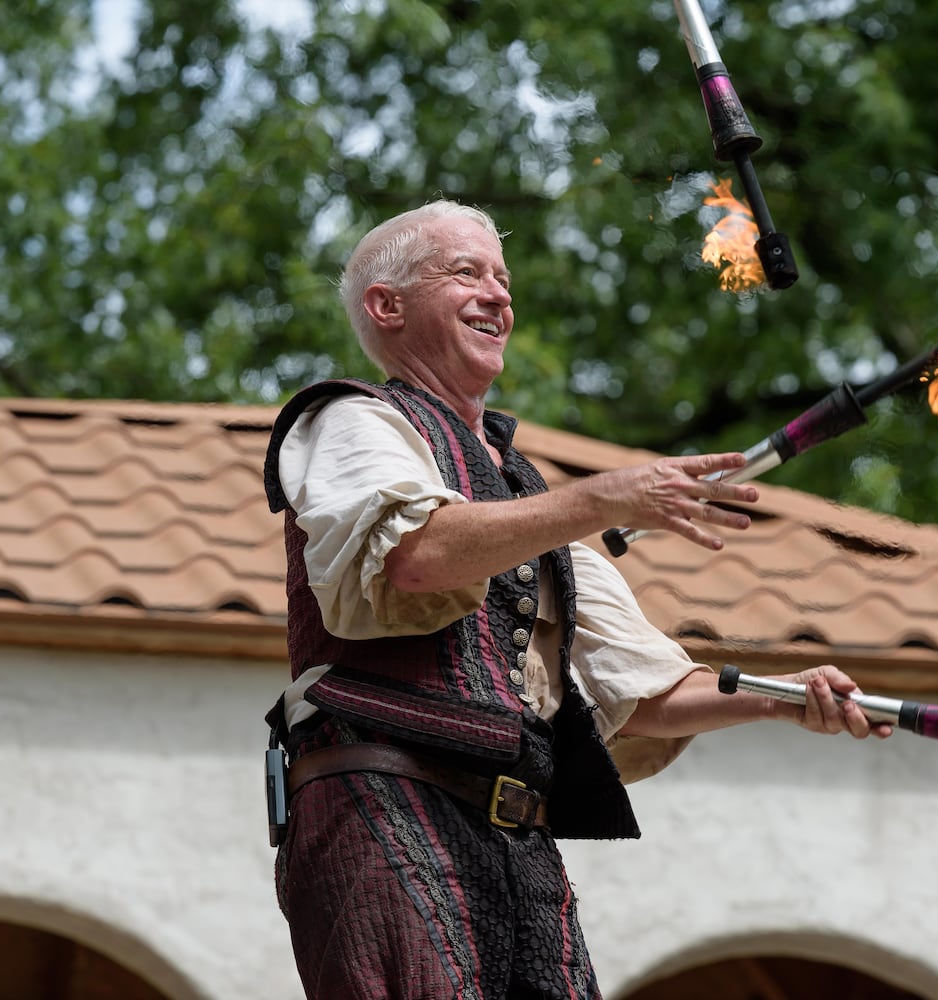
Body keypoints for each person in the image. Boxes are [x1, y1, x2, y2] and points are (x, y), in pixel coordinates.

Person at [262, 199, 891, 1000]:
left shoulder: (526, 502)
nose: (498, 296)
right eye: (466, 273)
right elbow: (416, 558)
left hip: (517, 836)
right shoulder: (351, 420)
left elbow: (643, 690)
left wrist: (788, 700)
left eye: (503, 279)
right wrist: (604, 501)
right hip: (386, 804)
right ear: (388, 307)